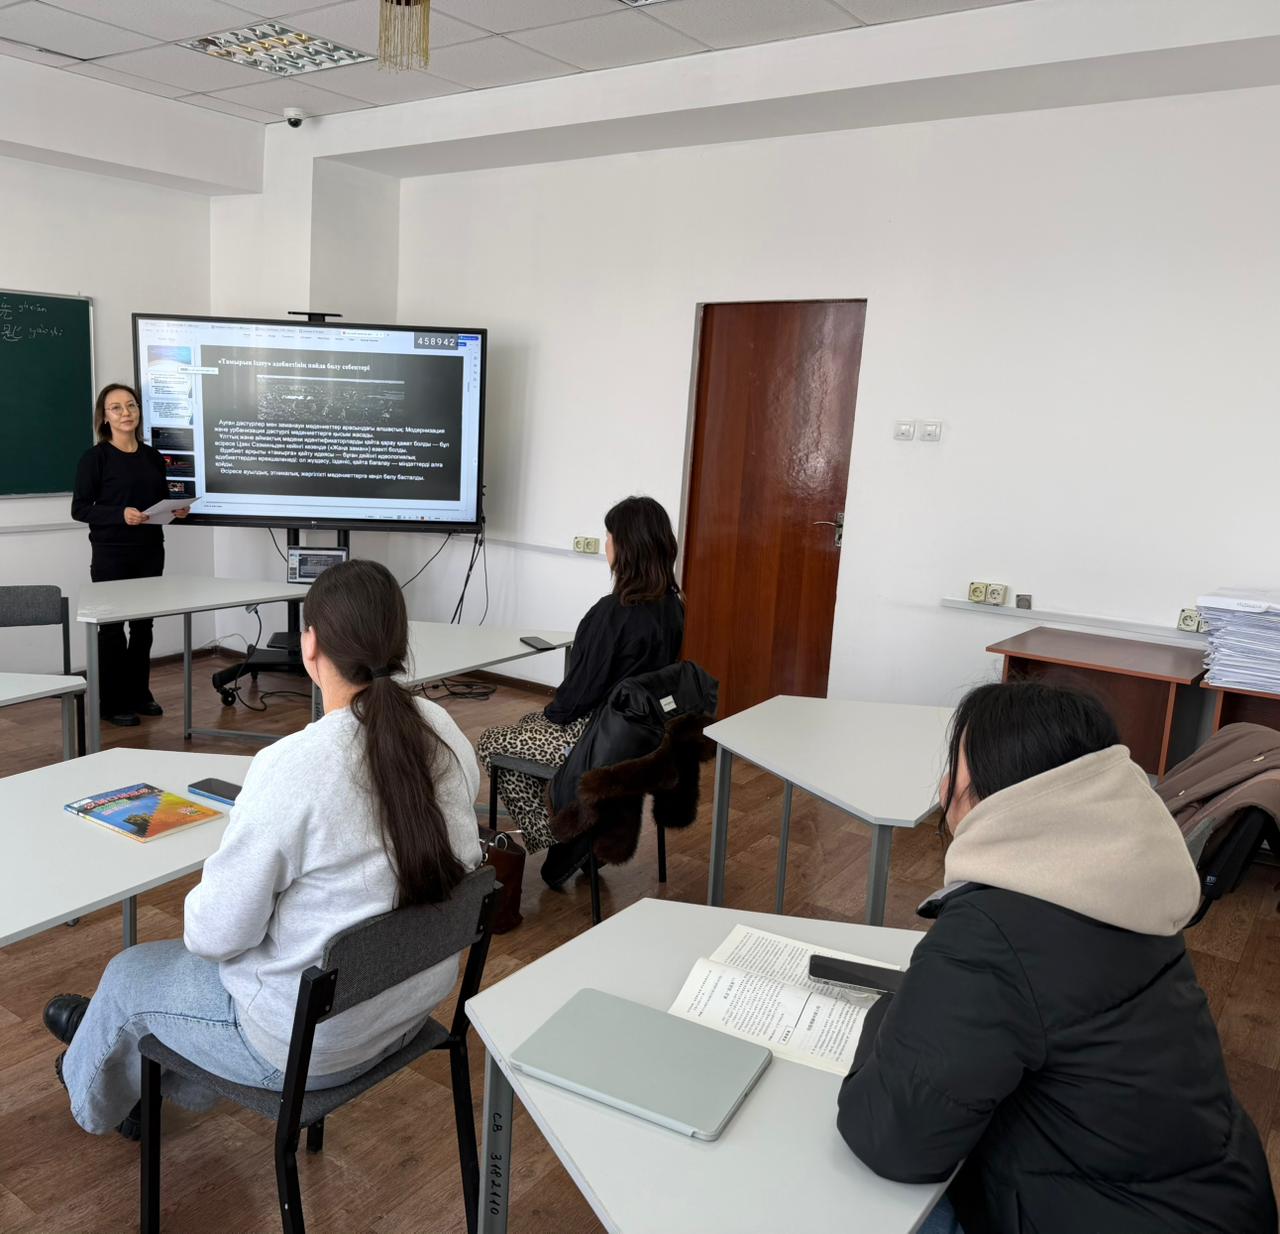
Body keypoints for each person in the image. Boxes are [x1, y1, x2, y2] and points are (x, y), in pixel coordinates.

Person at [43, 558, 483, 1140]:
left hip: (313, 1045)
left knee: (128, 976)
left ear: (311, 646)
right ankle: (127, 1053)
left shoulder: (293, 765)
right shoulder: (442, 729)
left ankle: (92, 1085)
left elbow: (213, 937)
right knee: (162, 991)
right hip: (408, 1004)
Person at [836, 681, 1276, 1234]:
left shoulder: (995, 930)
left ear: (1000, 794)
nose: (944, 784)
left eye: (958, 766)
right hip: (1208, 1198)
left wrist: (887, 1013)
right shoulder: (1124, 882)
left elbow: (893, 1140)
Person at [477, 495, 684, 887]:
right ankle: (577, 821)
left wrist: (549, 715)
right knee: (526, 725)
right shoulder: (673, 607)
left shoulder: (611, 613)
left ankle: (564, 836)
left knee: (492, 742)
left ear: (625, 547)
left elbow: (575, 698)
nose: (605, 544)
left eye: (608, 536)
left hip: (594, 736)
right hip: (644, 736)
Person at [71, 383, 185, 726]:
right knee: (111, 629)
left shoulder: (152, 457)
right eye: (116, 408)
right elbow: (80, 509)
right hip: (111, 553)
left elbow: (159, 501)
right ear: (104, 418)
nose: (126, 413)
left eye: (131, 406)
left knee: (143, 626)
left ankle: (139, 693)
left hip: (150, 551)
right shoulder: (95, 458)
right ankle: (112, 701)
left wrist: (175, 510)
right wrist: (119, 514)